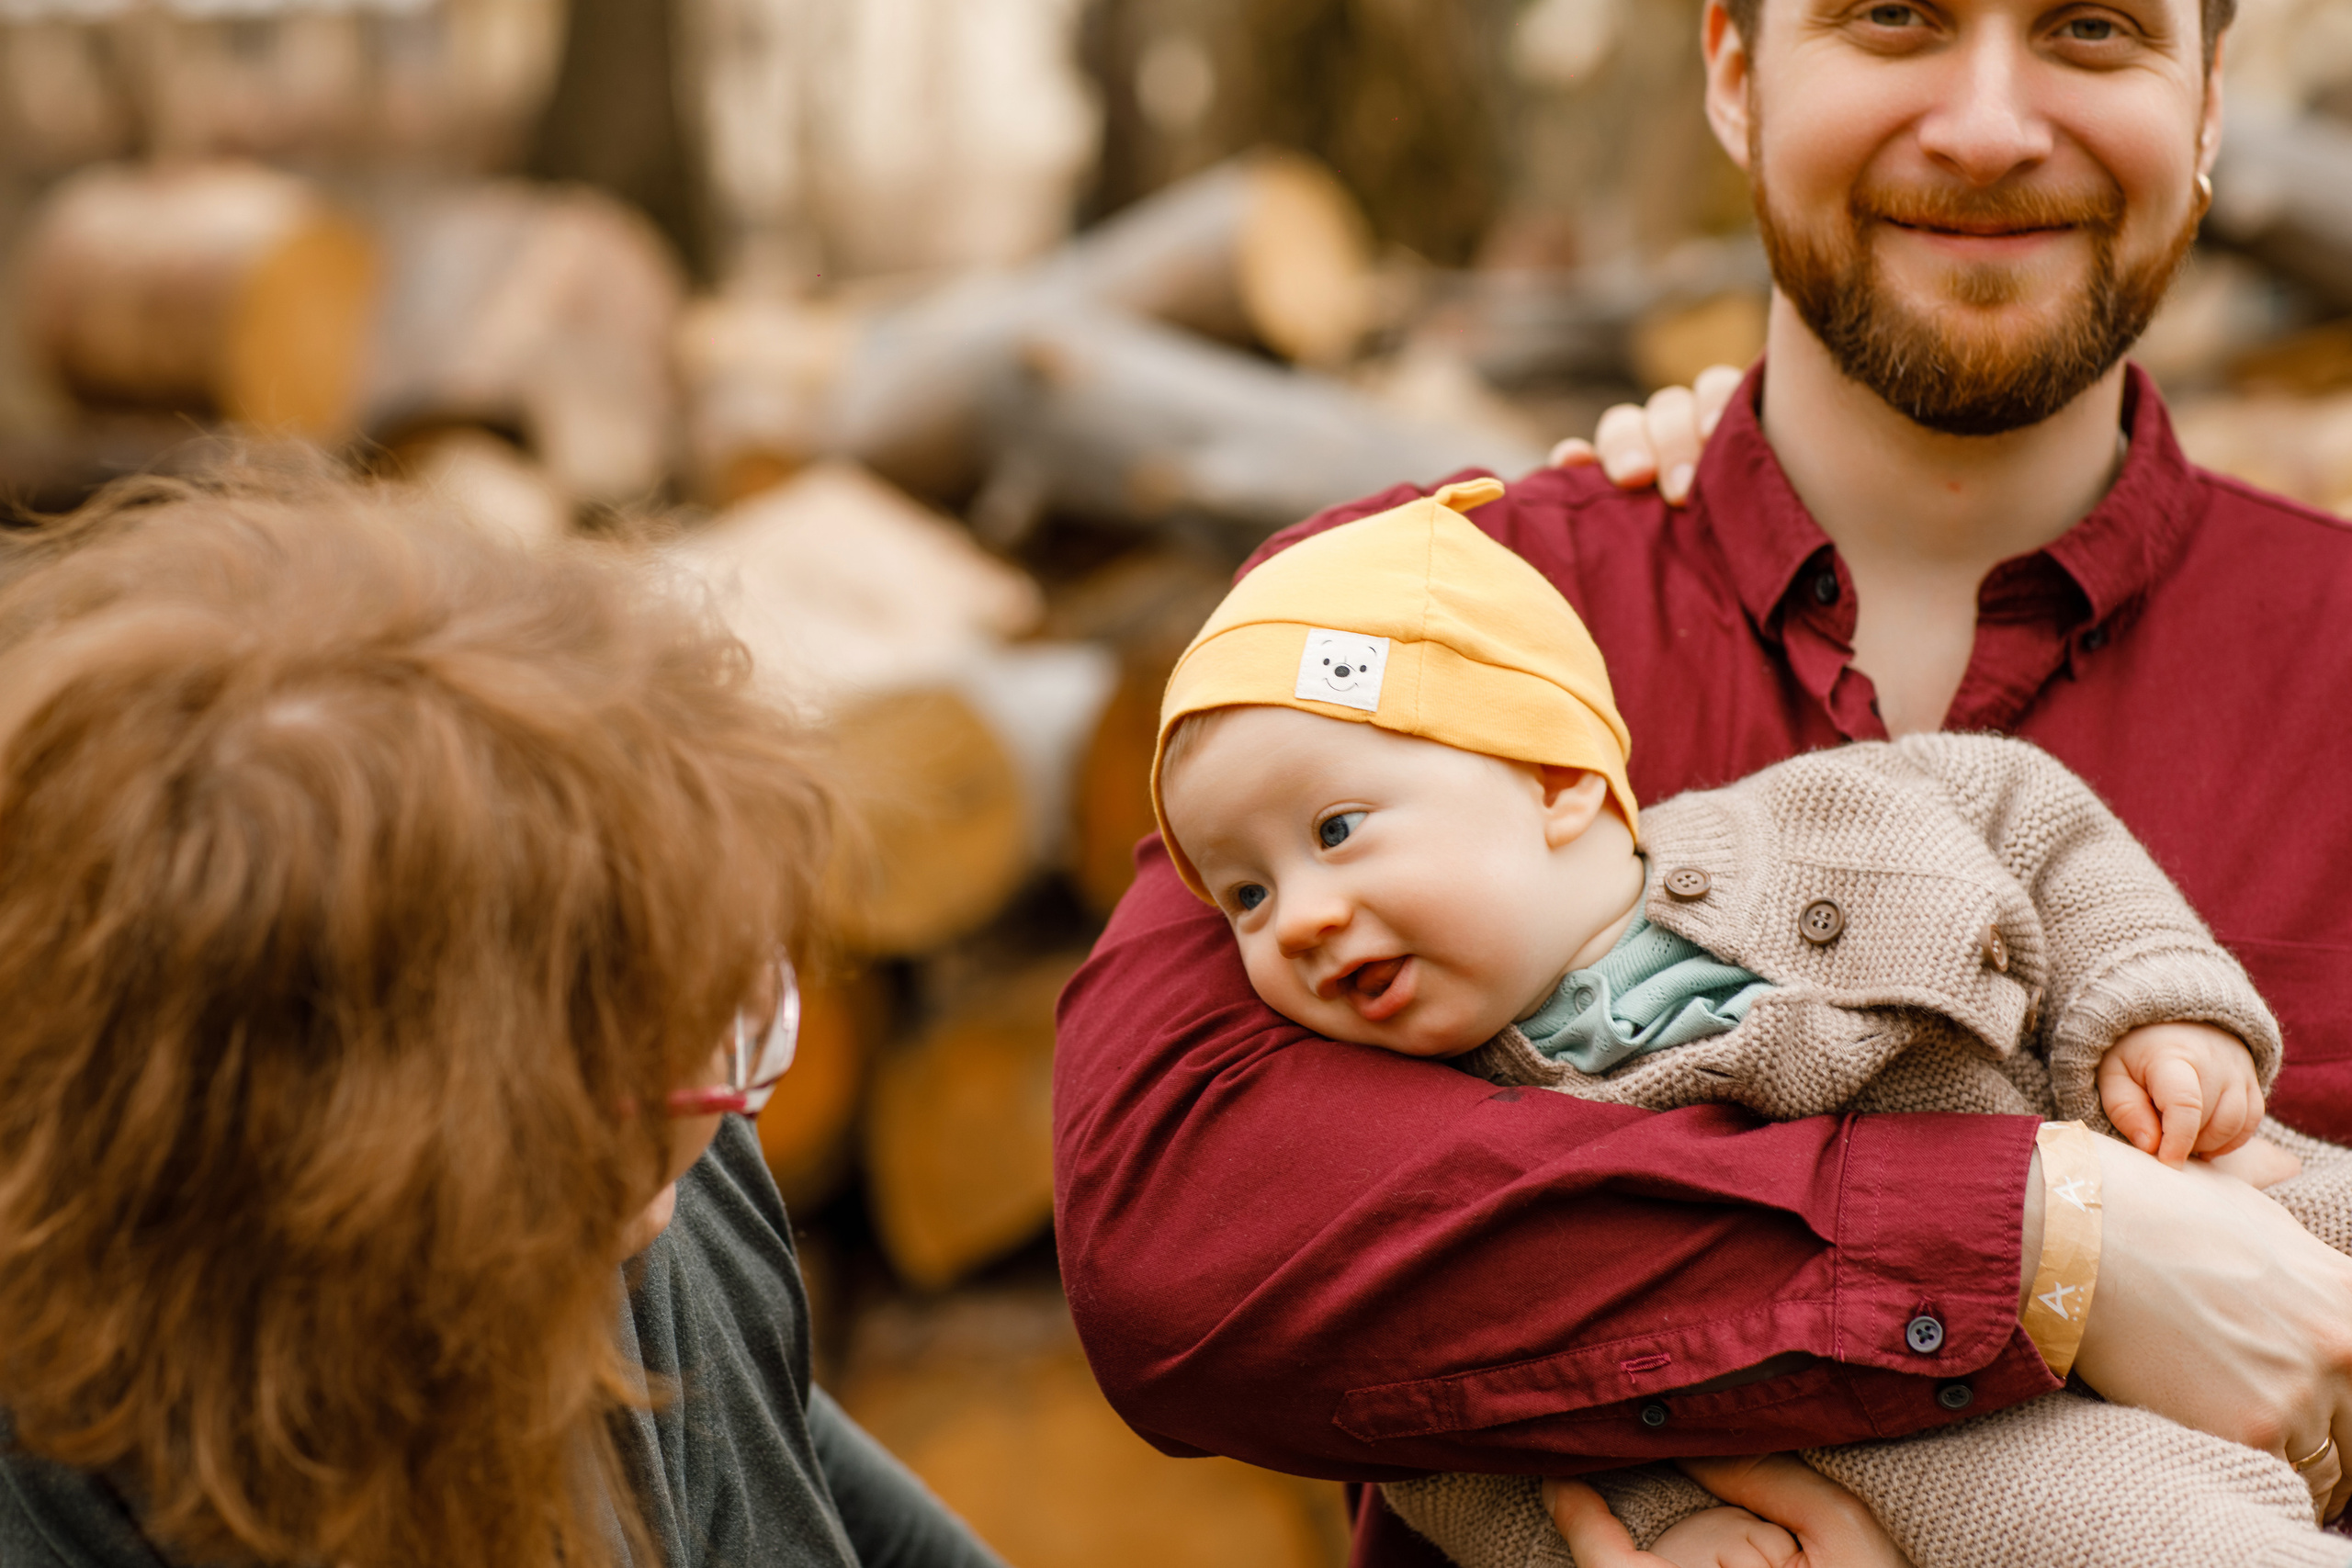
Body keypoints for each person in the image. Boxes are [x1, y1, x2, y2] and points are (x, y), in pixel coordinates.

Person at [1049, 0, 2352, 1561]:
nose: (1992, 124)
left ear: (2212, 107)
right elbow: (1183, 1246)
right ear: (1734, 72)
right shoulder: (1407, 628)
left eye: (2093, 26)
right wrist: (2047, 1240)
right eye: (1893, 17)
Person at [1148, 477, 2352, 1568]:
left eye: (1337, 829)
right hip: (1931, 1443)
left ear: (1555, 780)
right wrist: (1664, 1526)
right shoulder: (1407, 1119)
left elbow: (2033, 820)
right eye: (1242, 891)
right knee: (2146, 1533)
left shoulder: (1812, 810)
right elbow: (1438, 1434)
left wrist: (2153, 1005)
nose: (1295, 919)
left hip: (2147, 1158)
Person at [0, 462, 1006, 1568]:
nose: (689, 1172)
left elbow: (798, 1452)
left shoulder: (665, 1154)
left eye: (733, 1031)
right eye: (592, 1142)